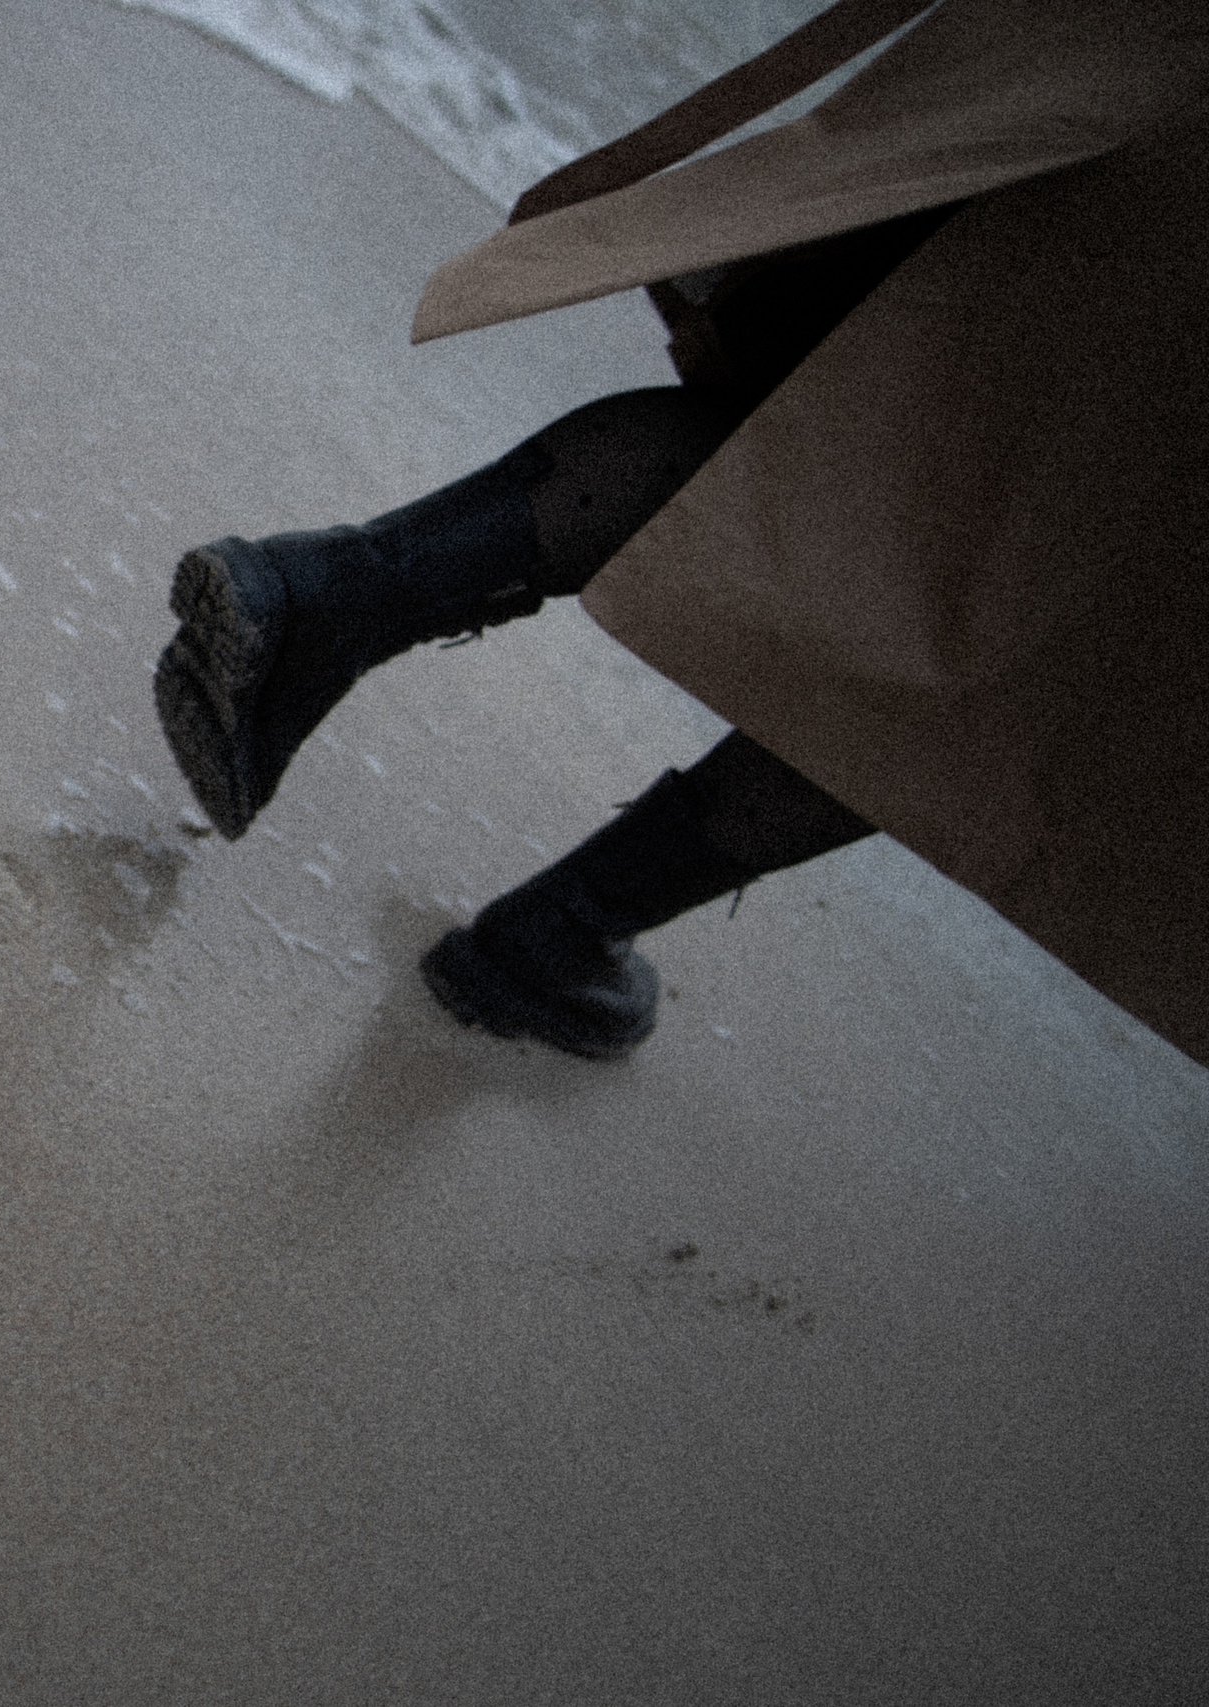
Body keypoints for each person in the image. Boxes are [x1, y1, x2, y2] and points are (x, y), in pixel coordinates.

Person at [154, 0, 1209, 1063]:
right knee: (999, 654)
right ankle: (554, 934)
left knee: (854, 453)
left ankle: (328, 593)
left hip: (1127, 79)